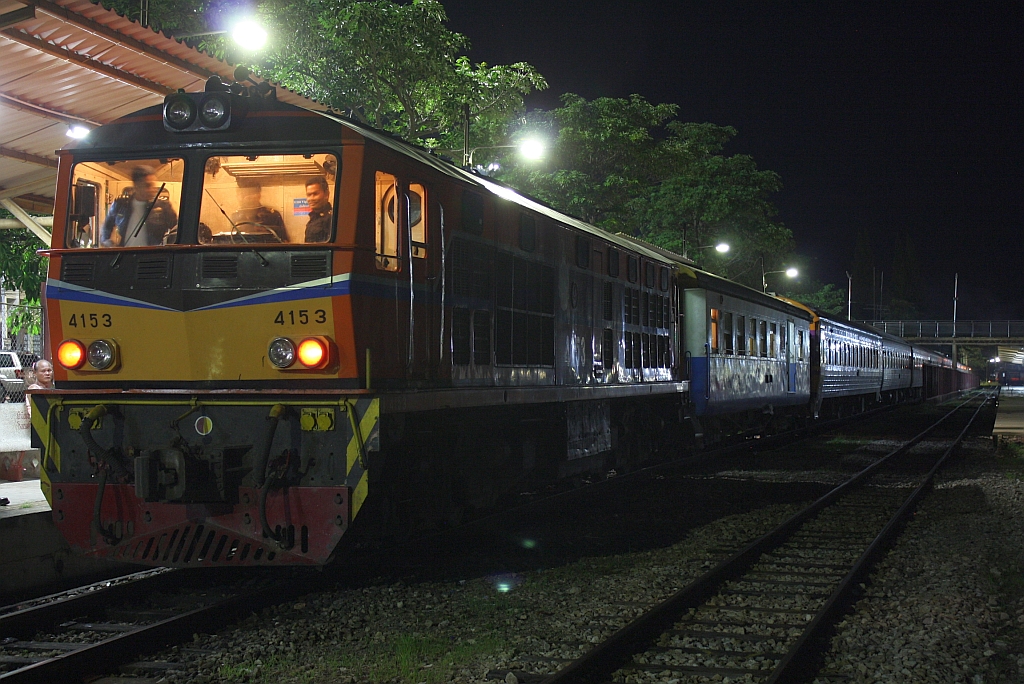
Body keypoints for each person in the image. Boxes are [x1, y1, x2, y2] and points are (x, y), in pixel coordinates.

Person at [100, 166, 178, 247]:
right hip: (125, 253)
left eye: (154, 185)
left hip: (153, 254)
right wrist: (108, 242)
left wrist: (168, 247)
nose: (153, 189)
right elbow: (107, 226)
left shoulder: (163, 207)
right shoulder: (120, 205)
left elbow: (177, 229)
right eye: (148, 185)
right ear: (137, 186)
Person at [304, 176, 333, 243]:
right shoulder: (313, 218)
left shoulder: (331, 219)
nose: (311, 198)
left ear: (326, 194)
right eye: (309, 195)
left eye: (315, 194)